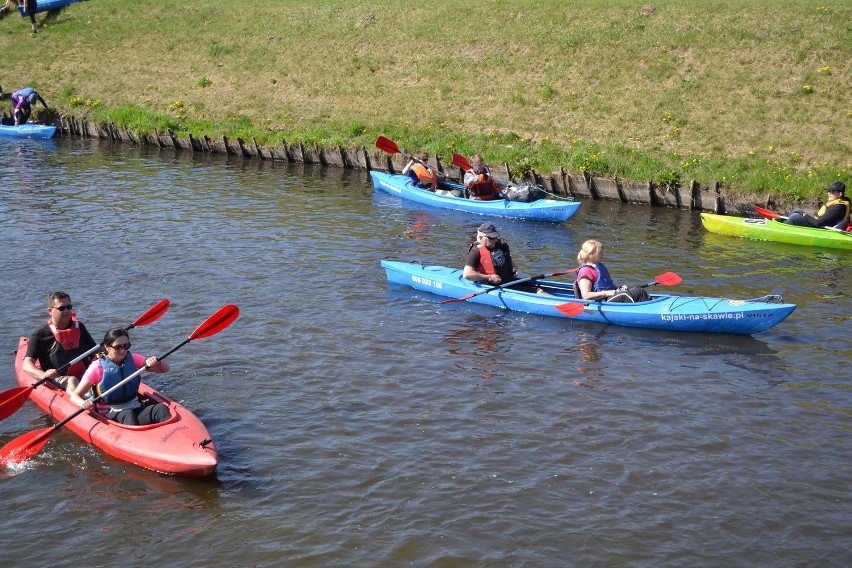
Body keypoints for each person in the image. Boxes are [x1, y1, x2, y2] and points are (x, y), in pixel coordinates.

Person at [69, 328, 171, 426]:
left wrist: (157, 361)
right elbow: (75, 396)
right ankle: (135, 441)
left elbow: (164, 369)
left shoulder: (133, 358)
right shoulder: (97, 367)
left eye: (126, 346)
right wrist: (83, 403)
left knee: (161, 409)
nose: (123, 350)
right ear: (107, 347)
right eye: (118, 347)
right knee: (127, 414)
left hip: (135, 407)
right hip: (110, 414)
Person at [22, 291, 97, 393]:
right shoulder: (40, 334)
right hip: (59, 378)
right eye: (61, 308)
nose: (66, 311)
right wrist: (43, 375)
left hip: (84, 374)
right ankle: (78, 405)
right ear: (50, 310)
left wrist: (116, 348)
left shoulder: (79, 327)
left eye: (69, 307)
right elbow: (27, 365)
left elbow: (95, 350)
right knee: (72, 380)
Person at [463, 222, 542, 293]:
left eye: (495, 237)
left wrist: (513, 266)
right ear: (481, 238)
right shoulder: (476, 251)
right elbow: (467, 274)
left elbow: (508, 258)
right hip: (495, 287)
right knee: (539, 291)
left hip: (509, 281)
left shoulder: (499, 244)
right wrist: (489, 278)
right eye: (491, 238)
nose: (494, 240)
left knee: (539, 287)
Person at [573, 239, 651, 303]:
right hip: (600, 301)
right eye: (600, 253)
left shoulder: (598, 267)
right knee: (636, 292)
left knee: (638, 291)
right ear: (592, 255)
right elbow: (586, 295)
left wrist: (619, 288)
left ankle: (651, 304)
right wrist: (605, 293)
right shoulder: (585, 271)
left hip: (608, 298)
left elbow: (606, 284)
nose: (603, 254)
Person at [785, 182, 850, 229]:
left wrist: (806, 215)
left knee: (795, 217)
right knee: (797, 210)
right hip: (820, 223)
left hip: (822, 228)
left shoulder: (837, 208)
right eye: (829, 191)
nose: (828, 193)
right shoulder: (836, 204)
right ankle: (785, 224)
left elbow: (818, 223)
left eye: (832, 191)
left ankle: (783, 229)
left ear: (840, 194)